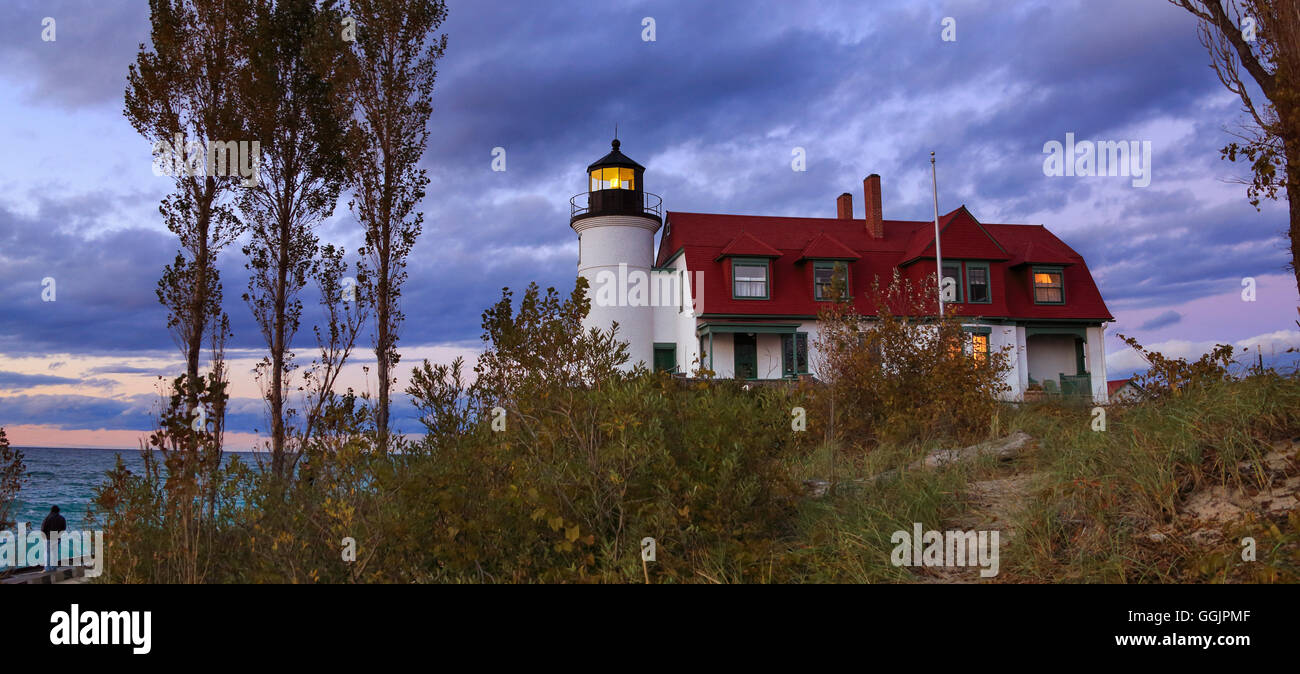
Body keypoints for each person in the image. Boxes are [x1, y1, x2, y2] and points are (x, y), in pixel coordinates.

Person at [41, 506, 67, 572]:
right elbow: (63, 529)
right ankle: (54, 568)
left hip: (48, 537)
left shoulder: (48, 518)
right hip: (56, 537)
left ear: (51, 510)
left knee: (47, 553)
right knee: (54, 553)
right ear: (58, 511)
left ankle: (47, 568)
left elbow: (43, 528)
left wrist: (44, 536)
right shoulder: (62, 518)